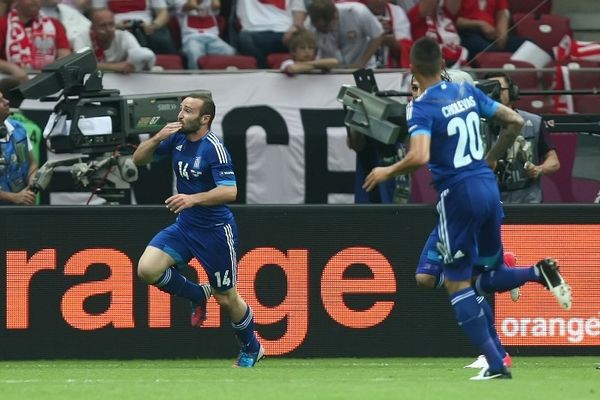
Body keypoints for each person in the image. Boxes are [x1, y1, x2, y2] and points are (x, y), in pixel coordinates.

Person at [363, 37, 572, 380]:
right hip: (488, 188)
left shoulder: (420, 106)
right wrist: (490, 158)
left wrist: (387, 170)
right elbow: (514, 121)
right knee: (484, 278)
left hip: (457, 195)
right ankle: (537, 273)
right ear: (442, 64)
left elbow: (419, 155)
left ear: (412, 68)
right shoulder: (467, 91)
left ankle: (495, 363)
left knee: (456, 283)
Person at [132, 93, 264, 368]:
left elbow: (230, 191)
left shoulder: (214, 148)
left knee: (226, 297)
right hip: (185, 226)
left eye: (188, 111)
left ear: (205, 119)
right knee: (147, 269)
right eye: (181, 109)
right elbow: (138, 160)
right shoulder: (177, 139)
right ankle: (196, 294)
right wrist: (157, 138)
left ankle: (252, 347)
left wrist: (193, 199)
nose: (181, 115)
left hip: (215, 231)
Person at [484, 72, 560, 203]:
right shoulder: (478, 124)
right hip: (491, 198)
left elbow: (554, 162)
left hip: (528, 199)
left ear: (512, 92)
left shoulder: (534, 122)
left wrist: (539, 169)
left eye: (499, 89)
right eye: (489, 90)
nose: (494, 94)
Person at [0, 0, 72, 81]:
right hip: (12, 80)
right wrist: (12, 68)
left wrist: (51, 71)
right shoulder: (3, 24)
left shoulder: (55, 25)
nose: (35, 1)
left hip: (47, 79)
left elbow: (65, 55)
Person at [72, 8, 157, 73]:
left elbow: (139, 55)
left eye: (111, 24)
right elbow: (81, 65)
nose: (108, 29)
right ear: (93, 28)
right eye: (103, 26)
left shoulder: (124, 36)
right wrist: (115, 67)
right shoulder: (81, 39)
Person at [307, 0, 384, 69]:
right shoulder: (309, 23)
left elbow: (378, 35)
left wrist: (362, 63)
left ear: (335, 17)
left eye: (324, 27)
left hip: (363, 68)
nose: (321, 31)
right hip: (332, 71)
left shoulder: (358, 12)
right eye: (318, 28)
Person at [235, 0, 306, 69]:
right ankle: (263, 72)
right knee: (244, 39)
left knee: (302, 40)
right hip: (253, 33)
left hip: (284, 32)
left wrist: (295, 27)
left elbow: (298, 10)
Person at [0, 89, 38, 205]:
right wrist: (14, 197)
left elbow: (32, 163)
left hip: (21, 206)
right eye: (0, 101)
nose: (7, 101)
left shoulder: (19, 129)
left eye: (3, 98)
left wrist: (31, 187)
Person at [174, 0, 236, 70]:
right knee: (194, 52)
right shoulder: (181, 1)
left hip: (213, 39)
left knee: (230, 52)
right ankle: (195, 75)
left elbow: (216, 5)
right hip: (192, 38)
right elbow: (191, 5)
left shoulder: (210, 2)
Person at [456, 0, 528, 61]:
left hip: (493, 34)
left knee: (528, 45)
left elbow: (502, 13)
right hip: (467, 33)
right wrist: (480, 24)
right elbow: (453, 20)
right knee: (490, 51)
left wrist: (502, 35)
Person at [363, 0, 412, 68]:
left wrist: (391, 36)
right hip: (361, 68)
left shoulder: (396, 11)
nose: (379, 1)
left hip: (387, 69)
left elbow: (406, 48)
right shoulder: (355, 11)